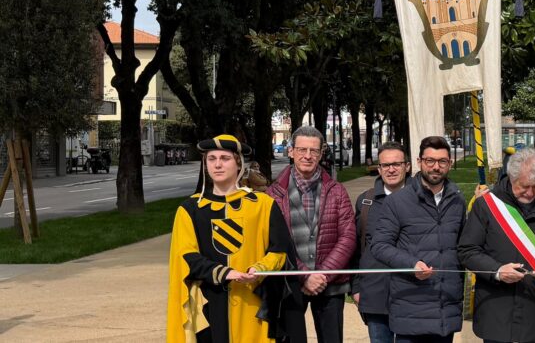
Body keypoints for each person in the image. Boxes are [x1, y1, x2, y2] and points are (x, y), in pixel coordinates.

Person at [166, 135, 295, 342]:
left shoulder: (262, 205)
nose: (217, 164)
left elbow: (280, 249)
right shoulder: (190, 210)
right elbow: (185, 256)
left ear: (238, 163)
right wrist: (225, 273)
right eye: (211, 158)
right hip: (209, 301)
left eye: (225, 158)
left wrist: (260, 269)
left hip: (252, 300)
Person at [458, 148, 535, 343]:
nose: (530, 192)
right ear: (511, 177)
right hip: (496, 308)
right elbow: (467, 251)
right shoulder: (486, 205)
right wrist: (497, 270)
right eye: (524, 186)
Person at [371, 136, 466, 343]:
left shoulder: (458, 200)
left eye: (442, 161)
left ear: (450, 163)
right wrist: (411, 264)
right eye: (430, 161)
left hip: (445, 307)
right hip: (411, 305)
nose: (436, 167)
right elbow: (379, 245)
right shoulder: (397, 201)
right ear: (419, 162)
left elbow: (464, 248)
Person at [265, 126, 356, 343]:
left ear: (321, 153)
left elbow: (348, 237)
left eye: (314, 151)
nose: (308, 156)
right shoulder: (273, 194)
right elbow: (274, 242)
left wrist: (322, 275)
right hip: (290, 283)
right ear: (291, 151)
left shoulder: (336, 190)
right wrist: (305, 275)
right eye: (302, 149)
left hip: (330, 284)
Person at [351, 141, 411, 343]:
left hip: (412, 296)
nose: (391, 169)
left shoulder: (422, 200)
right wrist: (356, 288)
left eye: (397, 164)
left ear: (407, 166)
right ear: (379, 168)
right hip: (375, 295)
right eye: (386, 165)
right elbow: (358, 248)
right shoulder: (365, 202)